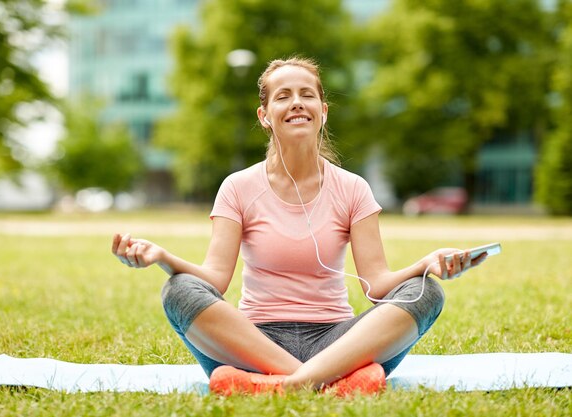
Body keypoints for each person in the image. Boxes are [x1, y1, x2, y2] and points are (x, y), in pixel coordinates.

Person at [111, 57, 488, 396]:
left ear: (322, 111)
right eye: (283, 96)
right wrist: (162, 257)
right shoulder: (238, 187)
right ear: (264, 115)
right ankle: (330, 383)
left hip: (336, 342)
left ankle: (283, 386)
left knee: (426, 294)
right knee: (178, 289)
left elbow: (377, 286)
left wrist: (427, 265)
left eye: (307, 94)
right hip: (253, 344)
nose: (296, 102)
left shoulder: (353, 188)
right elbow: (214, 279)